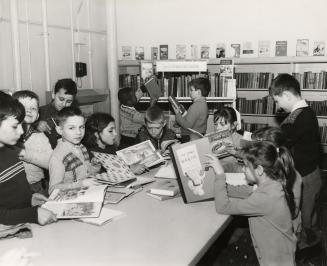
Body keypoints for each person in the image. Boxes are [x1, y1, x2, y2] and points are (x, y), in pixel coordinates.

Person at [206, 141, 297, 265]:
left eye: (246, 166)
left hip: (273, 260)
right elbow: (238, 190)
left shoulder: (265, 198)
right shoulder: (272, 183)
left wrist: (220, 175)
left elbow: (222, 207)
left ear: (259, 170)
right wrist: (215, 185)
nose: (243, 169)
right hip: (278, 251)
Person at [269, 73, 321, 248]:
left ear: (287, 96)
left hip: (306, 177)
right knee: (310, 216)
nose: (277, 106)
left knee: (305, 220)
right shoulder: (305, 112)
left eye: (277, 101)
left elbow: (282, 136)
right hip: (310, 173)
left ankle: (309, 252)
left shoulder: (298, 117)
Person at [0, 91, 56, 225]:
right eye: (15, 126)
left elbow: (13, 192)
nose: (20, 131)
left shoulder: (11, 150)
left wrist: (30, 198)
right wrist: (32, 214)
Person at [48, 107, 100, 194]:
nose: (78, 132)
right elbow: (53, 189)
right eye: (71, 128)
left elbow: (86, 174)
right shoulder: (58, 156)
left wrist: (94, 167)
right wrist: (81, 184)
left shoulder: (82, 147)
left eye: (81, 127)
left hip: (87, 194)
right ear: (60, 130)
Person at [12, 90, 53, 196]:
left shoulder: (40, 137)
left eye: (33, 108)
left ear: (38, 115)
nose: (29, 111)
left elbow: (51, 163)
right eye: (23, 107)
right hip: (13, 187)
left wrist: (25, 154)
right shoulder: (8, 136)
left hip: (36, 186)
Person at [38, 78, 77, 148]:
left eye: (69, 101)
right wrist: (36, 126)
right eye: (61, 99)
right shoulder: (39, 112)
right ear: (53, 94)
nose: (64, 104)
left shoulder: (74, 115)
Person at [172, 77, 210, 142]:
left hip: (190, 137)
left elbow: (187, 125)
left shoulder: (195, 106)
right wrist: (184, 113)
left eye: (191, 90)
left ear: (198, 92)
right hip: (199, 135)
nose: (189, 92)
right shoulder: (204, 104)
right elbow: (195, 119)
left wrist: (177, 114)